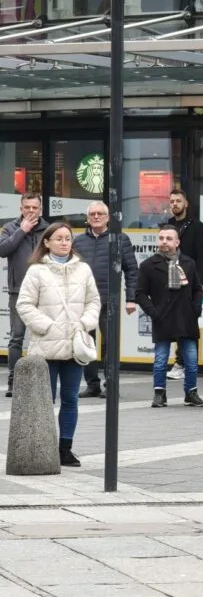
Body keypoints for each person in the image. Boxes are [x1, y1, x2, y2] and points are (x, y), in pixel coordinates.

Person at [15, 222, 101, 467]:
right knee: (46, 400)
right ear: (47, 242)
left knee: (71, 398)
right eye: (59, 238)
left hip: (74, 346)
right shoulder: (36, 271)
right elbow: (24, 305)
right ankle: (43, 446)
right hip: (46, 346)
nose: (64, 242)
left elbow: (93, 301)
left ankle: (65, 448)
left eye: (68, 238)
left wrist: (84, 323)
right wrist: (47, 326)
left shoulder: (83, 269)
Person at [136, 225, 203, 409]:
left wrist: (196, 308)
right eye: (161, 238)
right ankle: (159, 394)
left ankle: (191, 393)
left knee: (191, 359)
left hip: (186, 316)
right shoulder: (148, 265)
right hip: (163, 317)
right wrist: (153, 312)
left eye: (169, 238)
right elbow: (140, 293)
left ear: (177, 242)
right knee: (161, 359)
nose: (164, 242)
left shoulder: (188, 263)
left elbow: (197, 288)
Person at [73, 201, 139, 399]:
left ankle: (110, 385)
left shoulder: (120, 239)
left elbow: (132, 270)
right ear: (87, 218)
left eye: (100, 213)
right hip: (83, 302)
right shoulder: (78, 241)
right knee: (86, 344)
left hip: (109, 301)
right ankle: (92, 385)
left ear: (108, 217)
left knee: (110, 345)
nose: (96, 217)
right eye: (92, 214)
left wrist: (131, 299)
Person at [0, 192, 49, 398]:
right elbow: (2, 250)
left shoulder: (49, 230)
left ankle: (41, 383)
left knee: (45, 337)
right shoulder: (10, 228)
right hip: (18, 291)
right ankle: (14, 382)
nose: (30, 211)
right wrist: (22, 230)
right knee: (16, 338)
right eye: (27, 207)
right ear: (21, 209)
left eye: (34, 207)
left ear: (40, 209)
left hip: (45, 292)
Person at [164, 189, 203, 381]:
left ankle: (184, 364)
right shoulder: (167, 226)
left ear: (186, 204)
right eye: (172, 201)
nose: (175, 204)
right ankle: (180, 362)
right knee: (174, 323)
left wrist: (199, 284)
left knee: (189, 324)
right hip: (170, 279)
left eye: (178, 201)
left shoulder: (197, 226)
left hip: (190, 282)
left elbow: (202, 257)